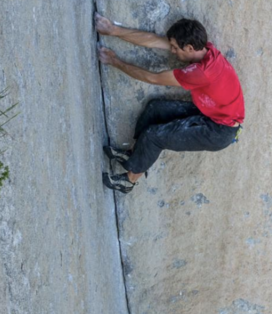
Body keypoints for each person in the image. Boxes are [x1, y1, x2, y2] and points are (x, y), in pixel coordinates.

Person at [94, 13, 245, 194]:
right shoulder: (206, 50)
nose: (172, 51)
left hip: (219, 132)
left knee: (155, 137)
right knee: (155, 109)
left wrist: (114, 61)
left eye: (175, 48)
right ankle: (133, 155)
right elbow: (155, 41)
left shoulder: (200, 73)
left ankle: (129, 180)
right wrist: (113, 30)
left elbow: (153, 78)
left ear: (189, 47)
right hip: (212, 115)